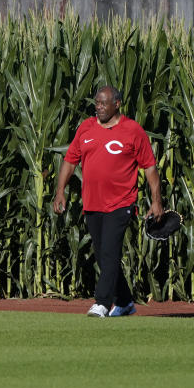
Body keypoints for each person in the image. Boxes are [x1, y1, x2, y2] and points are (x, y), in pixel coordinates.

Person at [52, 85, 163, 318]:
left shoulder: (132, 131)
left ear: (117, 104)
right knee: (104, 256)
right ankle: (124, 301)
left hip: (121, 204)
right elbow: (70, 161)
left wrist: (156, 201)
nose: (99, 106)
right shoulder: (86, 128)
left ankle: (102, 302)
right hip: (92, 204)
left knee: (110, 253)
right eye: (97, 102)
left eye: (104, 103)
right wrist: (60, 191)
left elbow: (150, 168)